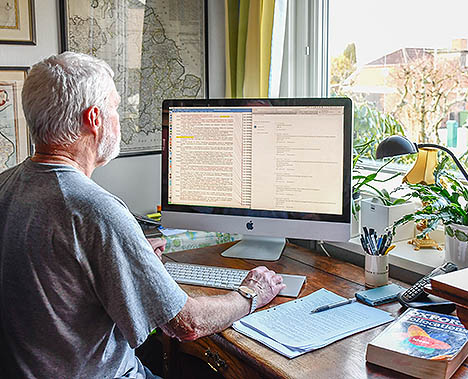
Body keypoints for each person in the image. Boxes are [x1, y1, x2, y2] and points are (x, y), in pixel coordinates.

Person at [0, 52, 285, 378]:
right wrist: (251, 294)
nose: (118, 119)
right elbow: (186, 324)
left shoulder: (5, 186)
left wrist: (128, 260)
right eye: (115, 107)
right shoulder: (97, 210)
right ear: (94, 119)